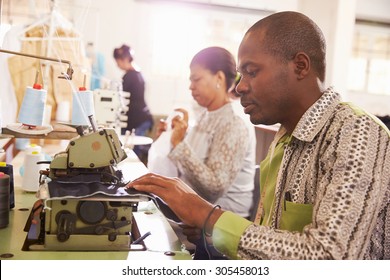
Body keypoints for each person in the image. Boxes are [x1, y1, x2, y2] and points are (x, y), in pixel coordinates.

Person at [127, 11, 390, 260]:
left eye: (251, 72)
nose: (240, 87)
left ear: (300, 66)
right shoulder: (287, 135)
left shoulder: (356, 133)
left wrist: (209, 216)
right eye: (241, 75)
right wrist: (213, 228)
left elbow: (331, 257)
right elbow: (274, 235)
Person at [152, 46, 256, 219]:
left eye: (196, 79)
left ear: (219, 78)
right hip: (198, 211)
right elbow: (188, 169)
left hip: (222, 224)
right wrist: (169, 140)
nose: (191, 87)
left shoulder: (234, 122)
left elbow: (214, 188)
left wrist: (178, 144)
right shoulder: (206, 115)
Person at [113, 44, 153, 161]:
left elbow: (119, 98)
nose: (117, 65)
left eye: (118, 61)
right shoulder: (138, 74)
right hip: (142, 118)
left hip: (139, 120)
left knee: (132, 152)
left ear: (125, 59)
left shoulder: (130, 76)